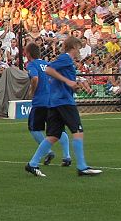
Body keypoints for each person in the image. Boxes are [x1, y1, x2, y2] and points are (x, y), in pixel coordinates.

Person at [28, 35, 102, 177]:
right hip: (64, 102)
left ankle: (32, 164)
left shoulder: (67, 61)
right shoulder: (66, 58)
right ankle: (82, 167)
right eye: (79, 48)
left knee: (53, 136)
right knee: (78, 132)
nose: (80, 51)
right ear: (74, 47)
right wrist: (68, 82)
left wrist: (72, 85)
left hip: (55, 102)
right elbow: (49, 70)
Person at [24, 39, 71, 168]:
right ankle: (67, 156)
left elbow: (34, 78)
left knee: (33, 128)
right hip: (53, 101)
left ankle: (48, 151)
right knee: (58, 129)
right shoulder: (47, 64)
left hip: (40, 102)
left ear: (28, 54)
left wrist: (32, 91)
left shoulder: (31, 65)